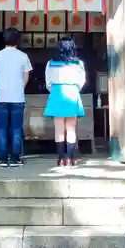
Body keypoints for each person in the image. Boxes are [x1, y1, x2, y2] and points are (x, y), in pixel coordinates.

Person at [0, 27, 32, 167]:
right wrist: (19, 87)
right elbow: (26, 76)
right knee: (16, 128)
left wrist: (3, 86)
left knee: (1, 128)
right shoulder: (23, 56)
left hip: (1, 97)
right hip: (18, 97)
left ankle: (2, 159)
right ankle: (15, 158)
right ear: (17, 40)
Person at [43, 36, 86, 167]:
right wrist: (74, 89)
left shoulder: (50, 63)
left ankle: (61, 159)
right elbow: (81, 82)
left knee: (59, 130)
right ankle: (70, 159)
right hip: (72, 93)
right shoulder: (79, 64)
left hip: (56, 94)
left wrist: (55, 90)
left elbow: (48, 83)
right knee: (71, 129)